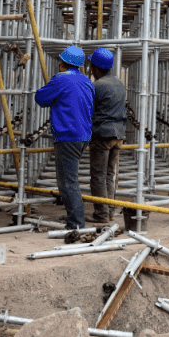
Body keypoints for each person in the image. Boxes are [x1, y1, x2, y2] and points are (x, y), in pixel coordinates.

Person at [34, 45, 94, 229]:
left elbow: (41, 98)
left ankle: (76, 223)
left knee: (68, 181)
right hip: (83, 135)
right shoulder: (87, 81)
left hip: (68, 135)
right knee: (69, 179)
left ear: (63, 63)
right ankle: (74, 218)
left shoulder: (61, 79)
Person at [87, 47, 126, 224]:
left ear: (95, 68)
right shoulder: (119, 83)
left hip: (102, 135)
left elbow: (89, 110)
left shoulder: (97, 86)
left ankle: (101, 214)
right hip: (118, 135)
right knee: (109, 174)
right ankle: (110, 211)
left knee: (98, 175)